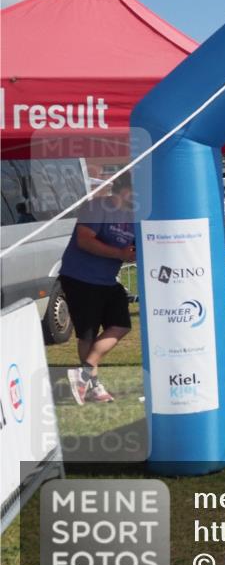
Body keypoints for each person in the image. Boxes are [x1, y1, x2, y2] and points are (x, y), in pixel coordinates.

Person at [61, 173, 136, 404]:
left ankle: (84, 372)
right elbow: (84, 240)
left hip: (106, 281)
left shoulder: (134, 216)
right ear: (124, 189)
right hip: (80, 277)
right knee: (88, 333)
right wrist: (120, 254)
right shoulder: (96, 206)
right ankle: (92, 386)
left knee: (121, 324)